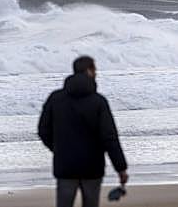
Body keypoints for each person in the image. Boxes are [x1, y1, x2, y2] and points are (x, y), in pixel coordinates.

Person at [38, 56, 128, 207]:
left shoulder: (55, 99)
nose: (96, 73)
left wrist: (58, 149)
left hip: (65, 166)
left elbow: (43, 130)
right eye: (95, 69)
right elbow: (109, 137)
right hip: (92, 167)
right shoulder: (98, 101)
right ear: (89, 71)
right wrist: (121, 168)